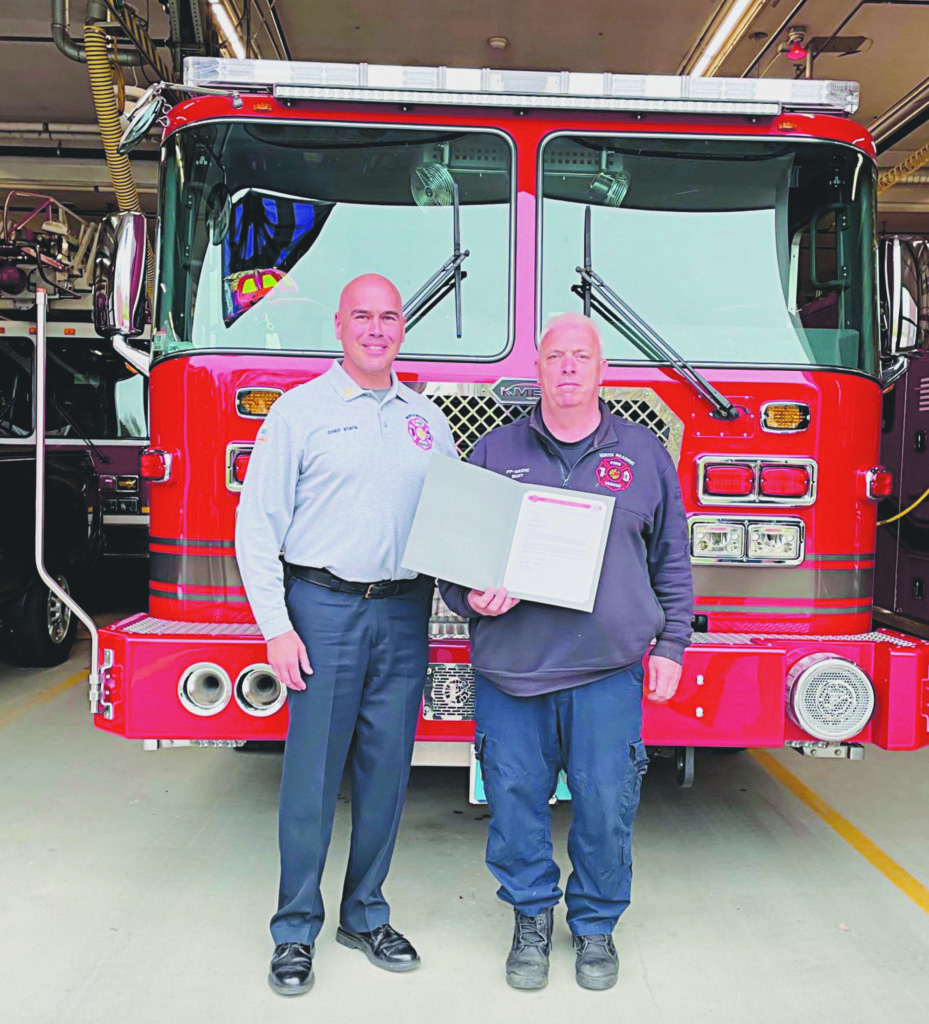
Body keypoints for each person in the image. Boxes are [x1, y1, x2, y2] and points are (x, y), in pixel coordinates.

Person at [439, 313, 693, 992]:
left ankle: (595, 925)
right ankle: (529, 917)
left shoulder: (643, 453)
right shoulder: (493, 452)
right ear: (539, 369)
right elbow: (454, 563)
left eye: (582, 356)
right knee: (514, 799)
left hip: (607, 669)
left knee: (607, 803)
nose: (569, 368)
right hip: (512, 669)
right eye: (556, 357)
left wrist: (671, 643)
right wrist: (472, 598)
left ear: (602, 370)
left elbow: (671, 556)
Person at [236, 273, 456, 996]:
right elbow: (255, 526)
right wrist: (276, 628)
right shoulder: (299, 413)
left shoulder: (427, 420)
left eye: (388, 317)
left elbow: (456, 521)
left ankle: (364, 914)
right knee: (312, 778)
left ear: (402, 329)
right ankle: (295, 928)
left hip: (403, 611)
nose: (376, 329)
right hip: (322, 610)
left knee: (387, 773)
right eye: (362, 316)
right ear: (338, 326)